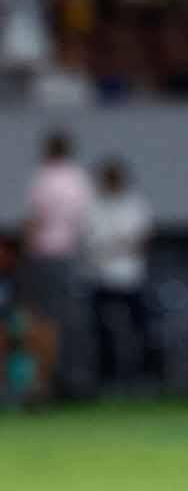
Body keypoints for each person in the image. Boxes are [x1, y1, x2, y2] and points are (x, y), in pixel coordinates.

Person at [22, 130, 94, 396]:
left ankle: (40, 383)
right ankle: (67, 380)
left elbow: (35, 220)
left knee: (41, 322)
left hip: (45, 256)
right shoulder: (79, 179)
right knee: (68, 322)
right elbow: (84, 221)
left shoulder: (43, 178)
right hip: (71, 257)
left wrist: (27, 251)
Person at [85, 158, 155, 383]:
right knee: (99, 330)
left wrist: (114, 246)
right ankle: (105, 376)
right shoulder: (94, 206)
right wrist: (117, 245)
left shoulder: (135, 205)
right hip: (101, 278)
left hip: (131, 278)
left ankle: (143, 373)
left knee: (141, 329)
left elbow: (139, 241)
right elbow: (92, 243)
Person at [0, 236, 58, 405]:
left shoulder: (21, 278)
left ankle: (37, 390)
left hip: (14, 322)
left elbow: (27, 309)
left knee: (46, 333)